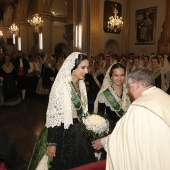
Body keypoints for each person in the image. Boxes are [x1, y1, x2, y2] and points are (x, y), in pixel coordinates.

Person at [27, 52, 96, 170]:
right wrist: (52, 143)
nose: (87, 71)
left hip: (80, 133)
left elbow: (83, 111)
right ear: (73, 67)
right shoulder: (60, 87)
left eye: (87, 67)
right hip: (64, 133)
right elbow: (54, 116)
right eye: (83, 67)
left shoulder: (81, 85)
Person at [92, 68, 170, 170]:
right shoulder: (165, 97)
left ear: (136, 85)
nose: (129, 91)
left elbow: (123, 138)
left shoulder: (139, 107)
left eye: (129, 87)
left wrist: (102, 142)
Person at [94, 62, 131, 133]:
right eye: (116, 75)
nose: (119, 78)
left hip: (127, 129)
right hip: (111, 131)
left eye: (122, 75)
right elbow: (100, 116)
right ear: (111, 76)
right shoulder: (105, 94)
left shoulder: (129, 91)